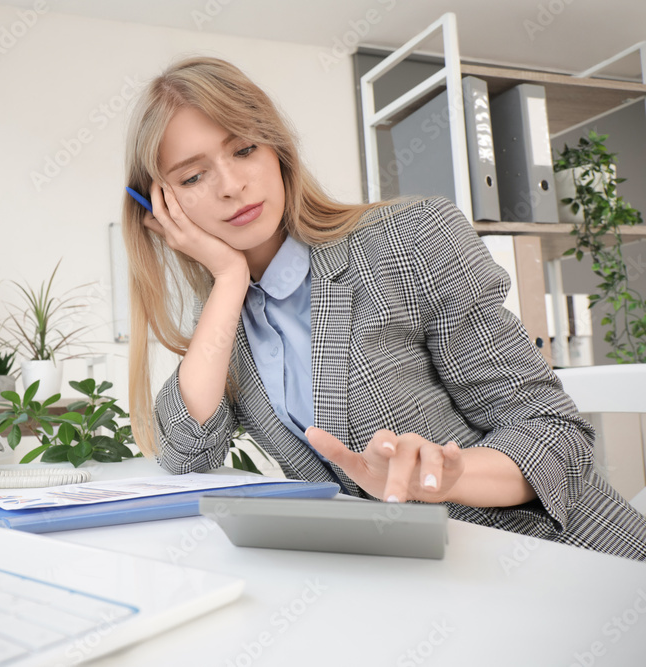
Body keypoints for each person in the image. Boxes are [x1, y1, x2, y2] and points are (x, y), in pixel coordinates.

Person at [121, 56, 646, 561]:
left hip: (561, 559)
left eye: (244, 150)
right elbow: (187, 456)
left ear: (276, 150)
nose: (232, 186)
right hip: (409, 587)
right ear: (161, 209)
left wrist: (447, 477)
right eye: (192, 177)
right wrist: (230, 278)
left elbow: (555, 433)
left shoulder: (410, 239)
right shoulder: (225, 313)